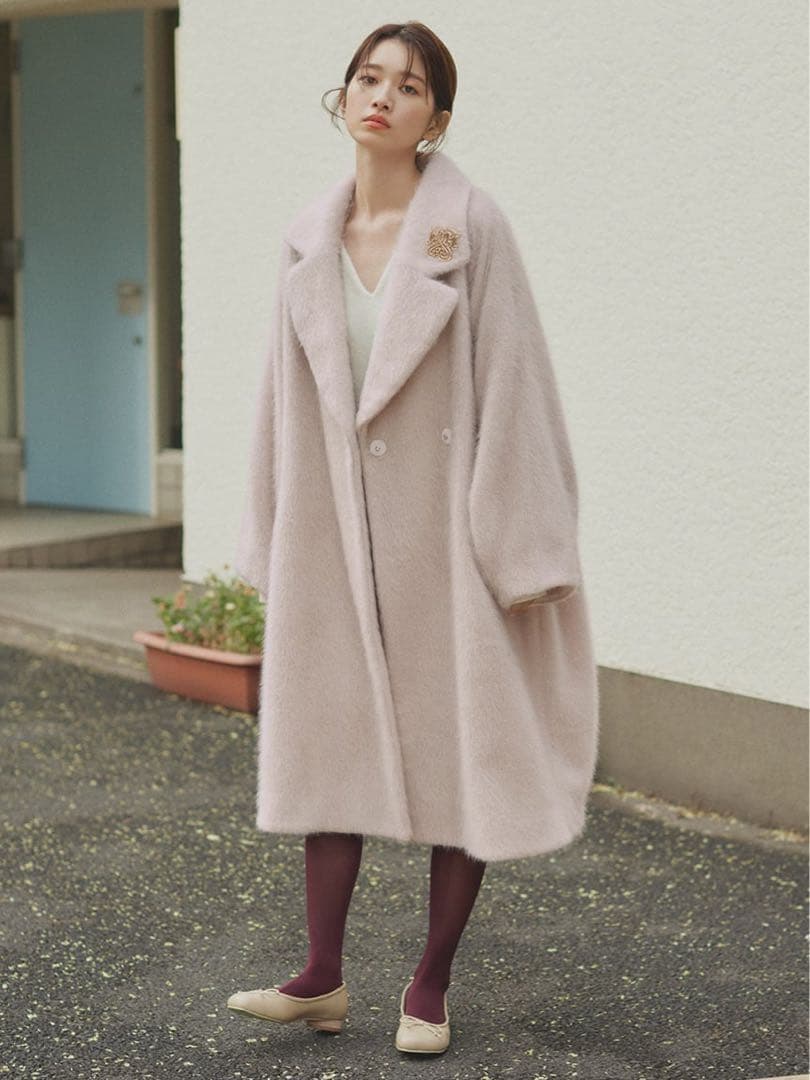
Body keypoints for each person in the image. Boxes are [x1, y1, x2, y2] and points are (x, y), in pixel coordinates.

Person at [227, 20, 599, 1057]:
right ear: (343, 96)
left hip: (448, 539)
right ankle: (321, 977)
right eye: (368, 76)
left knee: (461, 759)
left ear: (437, 116)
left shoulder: (470, 229)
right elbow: (278, 404)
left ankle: (428, 987)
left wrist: (523, 550)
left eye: (410, 84)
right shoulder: (307, 238)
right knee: (328, 745)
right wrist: (270, 537)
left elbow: (517, 386)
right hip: (334, 539)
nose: (383, 95)